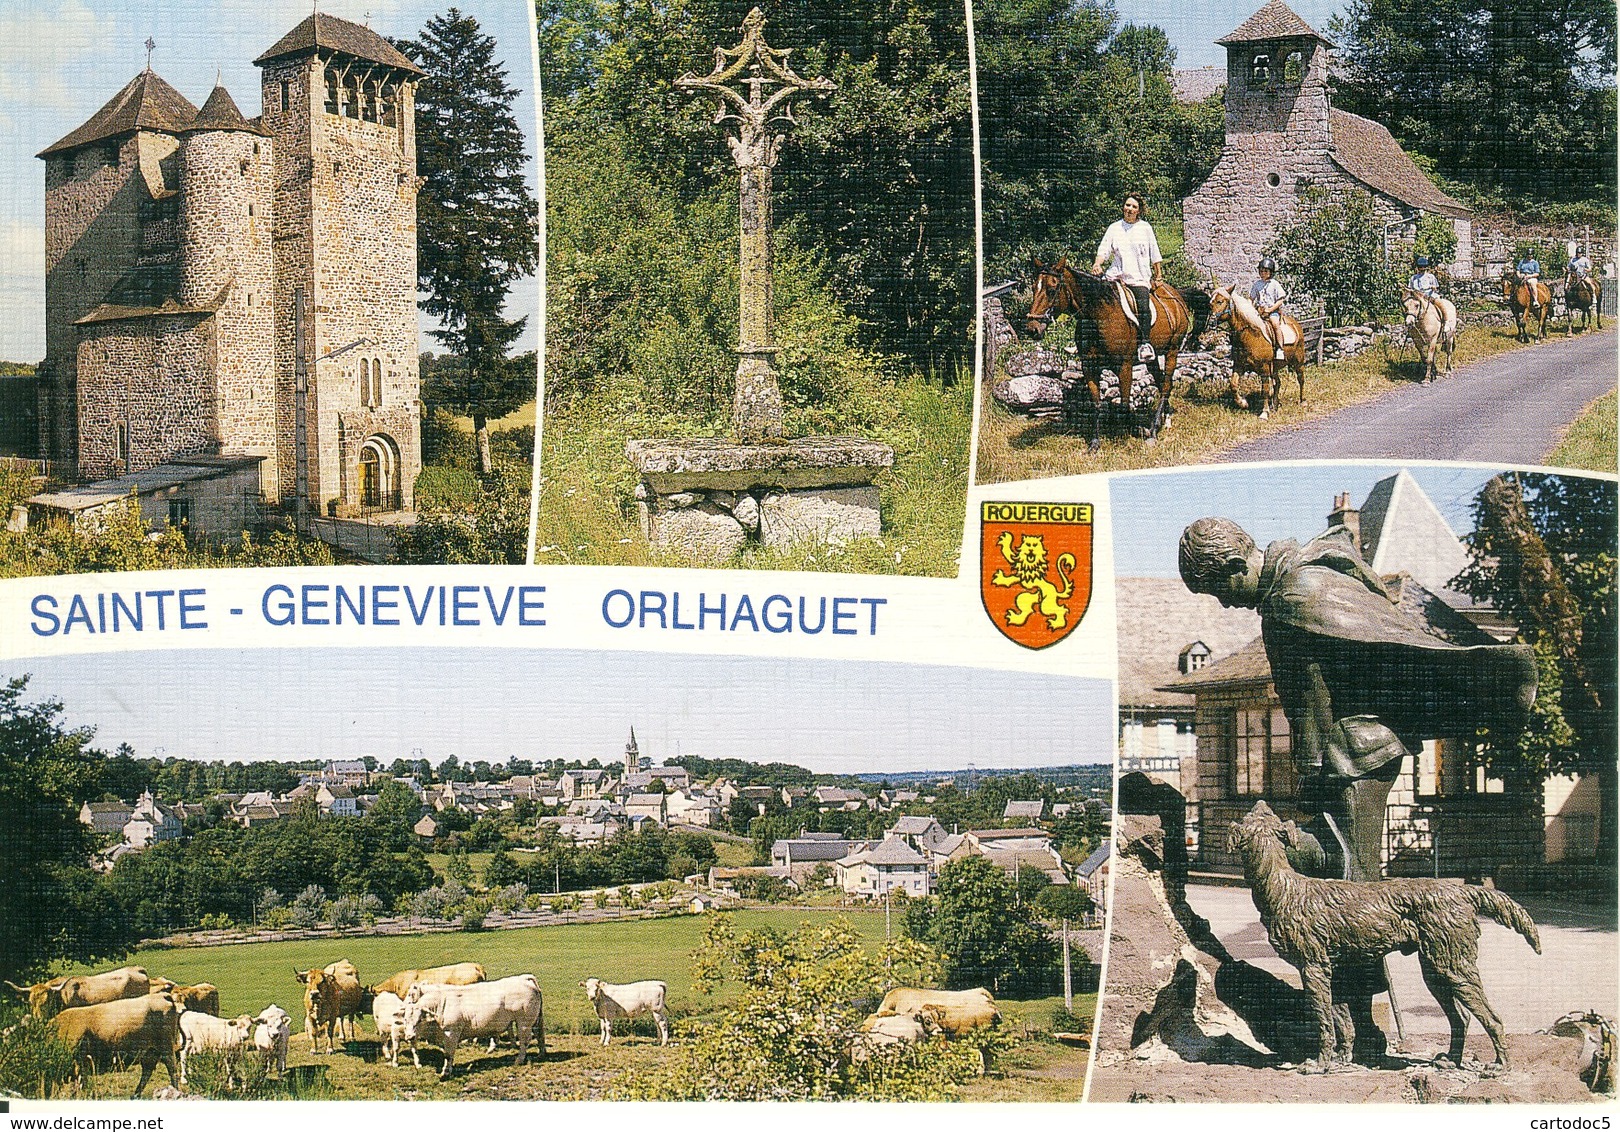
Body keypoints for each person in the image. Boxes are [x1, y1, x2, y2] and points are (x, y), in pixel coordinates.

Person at [1091, 192, 1163, 367]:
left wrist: (1158, 274)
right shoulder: (1114, 228)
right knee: (1093, 301)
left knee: (1143, 306)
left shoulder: (1145, 228)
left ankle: (1145, 344)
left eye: (1134, 207)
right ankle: (1089, 341)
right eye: (1127, 205)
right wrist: (1097, 263)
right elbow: (1104, 250)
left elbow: (1155, 253)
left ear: (1139, 211)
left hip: (1138, 278)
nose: (1129, 209)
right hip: (1115, 276)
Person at [1248, 257, 1287, 361]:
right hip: (1260, 312)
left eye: (1266, 271)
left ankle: (1280, 348)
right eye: (1261, 271)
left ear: (1271, 272)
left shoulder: (1275, 284)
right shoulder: (1257, 284)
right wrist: (1251, 309)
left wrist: (1270, 309)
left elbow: (1281, 300)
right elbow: (1251, 298)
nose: (1263, 273)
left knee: (1275, 324)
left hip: (1272, 311)